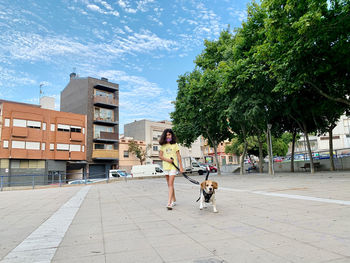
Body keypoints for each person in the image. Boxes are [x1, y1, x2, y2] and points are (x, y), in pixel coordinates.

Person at [159, 128, 183, 210]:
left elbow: (179, 156)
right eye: (166, 135)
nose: (168, 136)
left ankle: (169, 203)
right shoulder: (163, 146)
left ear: (172, 135)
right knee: (170, 184)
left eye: (169, 134)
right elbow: (160, 156)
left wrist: (181, 167)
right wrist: (168, 160)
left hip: (173, 166)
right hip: (166, 166)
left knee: (170, 184)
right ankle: (174, 199)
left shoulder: (175, 145)